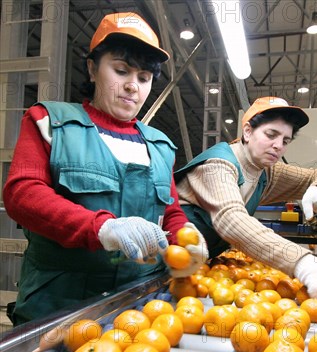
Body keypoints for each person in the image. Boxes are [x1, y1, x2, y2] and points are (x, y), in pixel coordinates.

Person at [3, 12, 206, 325]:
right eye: (121, 71)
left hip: (141, 305)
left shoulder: (161, 146)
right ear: (92, 68)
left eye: (143, 78)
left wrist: (188, 237)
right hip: (59, 305)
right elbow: (23, 194)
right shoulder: (49, 122)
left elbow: (171, 213)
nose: (132, 86)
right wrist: (101, 228)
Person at [175, 96, 317, 309]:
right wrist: (305, 264)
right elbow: (232, 220)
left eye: (285, 140)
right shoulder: (217, 166)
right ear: (247, 132)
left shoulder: (266, 171)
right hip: (165, 267)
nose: (278, 146)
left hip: (200, 271)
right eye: (271, 135)